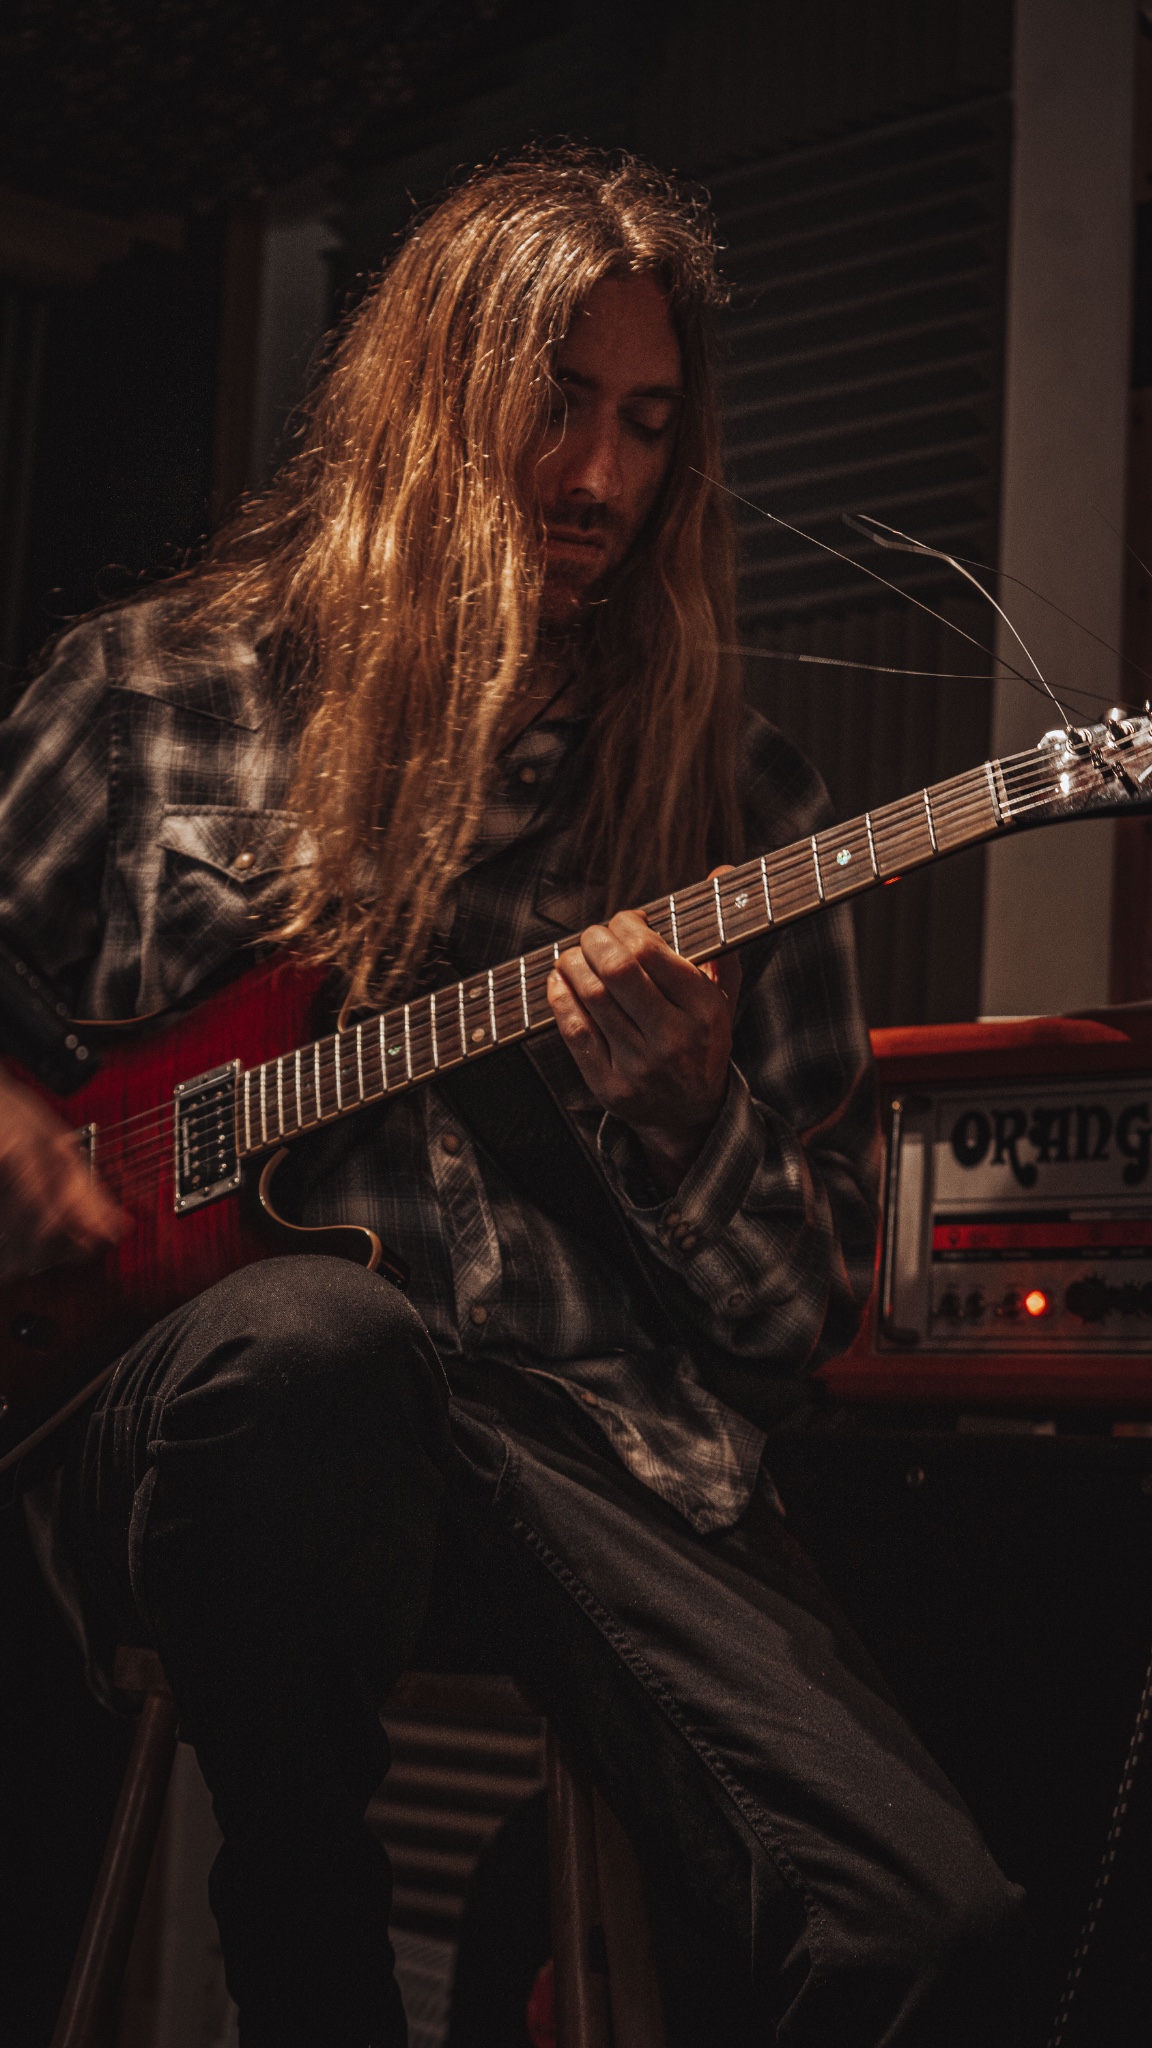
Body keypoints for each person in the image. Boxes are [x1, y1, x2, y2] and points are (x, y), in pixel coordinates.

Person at [0, 150, 1025, 2046]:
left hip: (580, 1443)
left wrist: (686, 1118)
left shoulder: (736, 805)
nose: (604, 477)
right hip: (187, 1422)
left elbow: (800, 1331)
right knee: (312, 1343)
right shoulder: (155, 701)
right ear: (430, 398)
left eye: (648, 422)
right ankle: (309, 1978)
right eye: (558, 400)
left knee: (924, 1931)